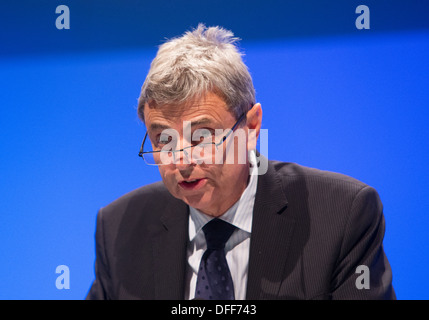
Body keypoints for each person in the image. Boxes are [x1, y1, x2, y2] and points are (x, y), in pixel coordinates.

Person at [86, 24, 395, 300]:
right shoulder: (119, 229)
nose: (181, 162)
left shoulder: (341, 215)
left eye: (201, 137)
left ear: (251, 126)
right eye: (163, 140)